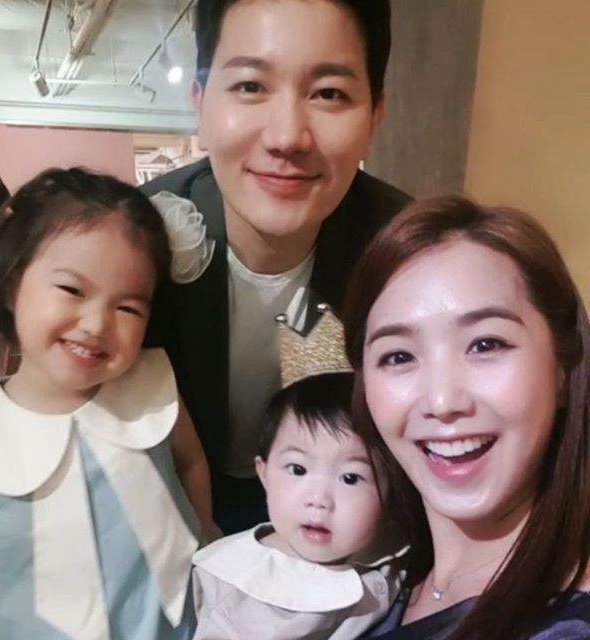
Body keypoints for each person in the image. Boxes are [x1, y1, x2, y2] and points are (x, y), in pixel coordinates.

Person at [143, 0, 410, 534]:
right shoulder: (139, 236)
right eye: (250, 86)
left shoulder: (403, 251)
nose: (287, 137)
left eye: (329, 93)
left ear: (375, 115)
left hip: (329, 508)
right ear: (199, 103)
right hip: (164, 504)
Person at [0, 168, 215, 639]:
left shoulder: (153, 383)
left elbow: (191, 461)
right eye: (72, 290)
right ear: (12, 284)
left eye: (128, 307)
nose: (96, 324)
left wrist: (206, 530)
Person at [343, 196, 590, 639]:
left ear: (562, 367)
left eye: (485, 345)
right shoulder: (375, 587)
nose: (442, 401)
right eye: (398, 356)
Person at [192, 369, 405, 639]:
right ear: (264, 474)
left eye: (350, 478)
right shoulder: (235, 584)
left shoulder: (397, 548)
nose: (318, 500)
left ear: (392, 488)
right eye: (298, 469)